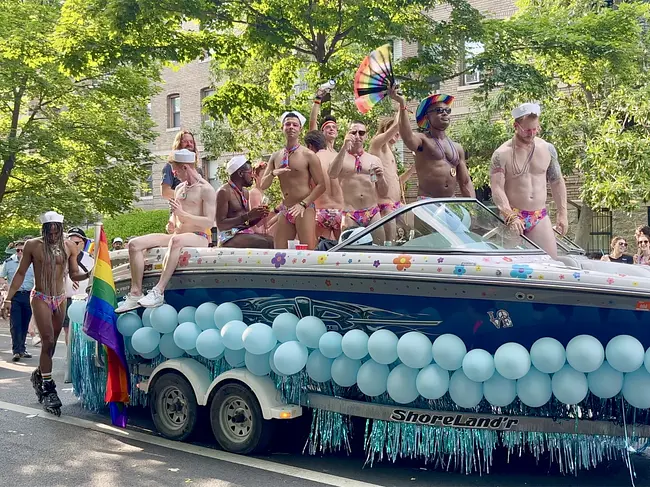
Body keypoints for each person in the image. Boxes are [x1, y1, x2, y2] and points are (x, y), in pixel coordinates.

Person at [0, 211, 90, 413]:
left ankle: (40, 375)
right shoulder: (33, 245)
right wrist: (8, 299)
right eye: (49, 231)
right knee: (48, 340)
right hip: (40, 296)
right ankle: (49, 389)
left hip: (60, 298)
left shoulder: (69, 246)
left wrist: (90, 274)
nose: (53, 234)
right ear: (44, 229)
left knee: (49, 347)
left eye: (56, 230)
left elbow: (74, 273)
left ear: (61, 228)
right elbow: (21, 273)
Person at [117, 149, 216, 311]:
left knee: (175, 241)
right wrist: (171, 221)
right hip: (177, 234)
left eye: (175, 170)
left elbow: (209, 222)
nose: (174, 174)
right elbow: (175, 215)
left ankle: (159, 291)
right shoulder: (180, 189)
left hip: (198, 236)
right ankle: (136, 293)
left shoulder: (206, 189)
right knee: (135, 244)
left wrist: (182, 215)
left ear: (185, 167)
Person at [489, 103, 568, 260]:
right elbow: (497, 188)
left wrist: (562, 213)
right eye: (527, 130)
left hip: (539, 214)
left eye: (535, 129)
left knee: (550, 262)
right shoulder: (501, 154)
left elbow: (557, 181)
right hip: (513, 215)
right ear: (516, 126)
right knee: (512, 266)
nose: (532, 134)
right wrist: (509, 214)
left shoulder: (547, 148)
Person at [390, 87, 475, 200]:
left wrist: (472, 206)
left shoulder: (457, 147)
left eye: (447, 110)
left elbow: (465, 181)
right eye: (439, 110)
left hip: (451, 203)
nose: (445, 113)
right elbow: (408, 138)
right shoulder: (422, 140)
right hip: (427, 203)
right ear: (427, 117)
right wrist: (402, 104)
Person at [260, 112, 325, 249]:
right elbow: (263, 185)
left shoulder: (308, 155)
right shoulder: (275, 156)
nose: (291, 127)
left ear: (300, 129)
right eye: (287, 124)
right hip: (286, 209)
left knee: (308, 251)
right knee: (280, 253)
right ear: (282, 128)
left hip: (303, 208)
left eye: (295, 125)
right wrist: (272, 173)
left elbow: (321, 185)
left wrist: (303, 203)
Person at [329, 121, 388, 235]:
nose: (357, 136)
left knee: (378, 248)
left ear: (366, 136)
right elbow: (332, 174)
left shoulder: (374, 160)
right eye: (353, 132)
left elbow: (384, 193)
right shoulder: (341, 158)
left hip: (372, 212)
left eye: (361, 133)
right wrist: (343, 147)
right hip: (351, 213)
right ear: (347, 134)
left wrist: (381, 178)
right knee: (351, 251)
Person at [215, 156, 274, 248]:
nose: (252, 176)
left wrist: (258, 215)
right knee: (262, 243)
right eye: (250, 172)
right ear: (240, 173)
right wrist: (249, 215)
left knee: (273, 241)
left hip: (244, 232)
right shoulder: (224, 192)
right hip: (227, 236)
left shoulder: (245, 192)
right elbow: (221, 225)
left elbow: (246, 223)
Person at [305, 130, 344, 241]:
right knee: (344, 250)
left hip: (321, 211)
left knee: (321, 253)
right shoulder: (336, 157)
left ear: (310, 146)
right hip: (340, 210)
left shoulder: (312, 160)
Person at [369, 114, 403, 241]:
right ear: (385, 130)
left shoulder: (390, 150)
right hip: (384, 204)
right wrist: (401, 105)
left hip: (396, 204)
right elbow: (396, 126)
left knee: (413, 228)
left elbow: (395, 180)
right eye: (395, 131)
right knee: (388, 244)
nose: (397, 133)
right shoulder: (378, 144)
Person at [0, 240, 35, 362]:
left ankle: (22, 348)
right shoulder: (9, 262)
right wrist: (5, 285)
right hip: (14, 296)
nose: (20, 253)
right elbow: (1, 276)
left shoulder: (32, 262)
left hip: (29, 295)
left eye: (22, 250)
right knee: (15, 324)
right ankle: (16, 351)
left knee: (25, 323)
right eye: (18, 250)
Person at [161, 130, 202, 200]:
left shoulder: (198, 169)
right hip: (179, 209)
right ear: (178, 144)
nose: (189, 144)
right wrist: (186, 196)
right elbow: (165, 192)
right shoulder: (170, 166)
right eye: (185, 142)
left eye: (191, 142)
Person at [248, 161, 278, 236]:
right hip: (257, 234)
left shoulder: (262, 194)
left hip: (263, 232)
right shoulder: (254, 193)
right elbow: (256, 222)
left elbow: (264, 219)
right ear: (255, 176)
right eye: (264, 175)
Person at [309, 84, 338, 152]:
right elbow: (313, 121)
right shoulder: (318, 147)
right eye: (328, 127)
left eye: (334, 127)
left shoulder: (337, 154)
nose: (331, 129)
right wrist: (318, 98)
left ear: (337, 132)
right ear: (322, 132)